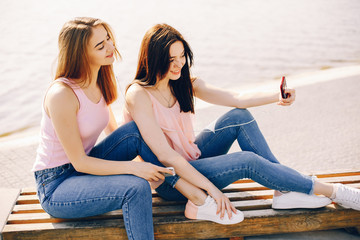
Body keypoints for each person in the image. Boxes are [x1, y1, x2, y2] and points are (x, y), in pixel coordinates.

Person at [120, 23, 360, 225]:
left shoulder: (183, 82)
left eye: (182, 56)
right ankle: (334, 191)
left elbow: (236, 98)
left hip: (192, 158)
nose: (178, 64)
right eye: (170, 59)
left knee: (239, 116)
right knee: (247, 161)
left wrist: (277, 96)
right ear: (153, 58)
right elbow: (167, 158)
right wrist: (212, 191)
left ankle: (285, 189)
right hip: (175, 182)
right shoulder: (139, 94)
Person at [32, 17, 174, 240]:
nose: (111, 47)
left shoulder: (99, 78)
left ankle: (177, 186)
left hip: (82, 170)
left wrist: (141, 162)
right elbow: (79, 161)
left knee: (134, 131)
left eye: (108, 39)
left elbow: (115, 131)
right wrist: (135, 169)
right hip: (56, 185)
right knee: (136, 188)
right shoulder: (62, 95)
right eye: (100, 46)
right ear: (81, 54)